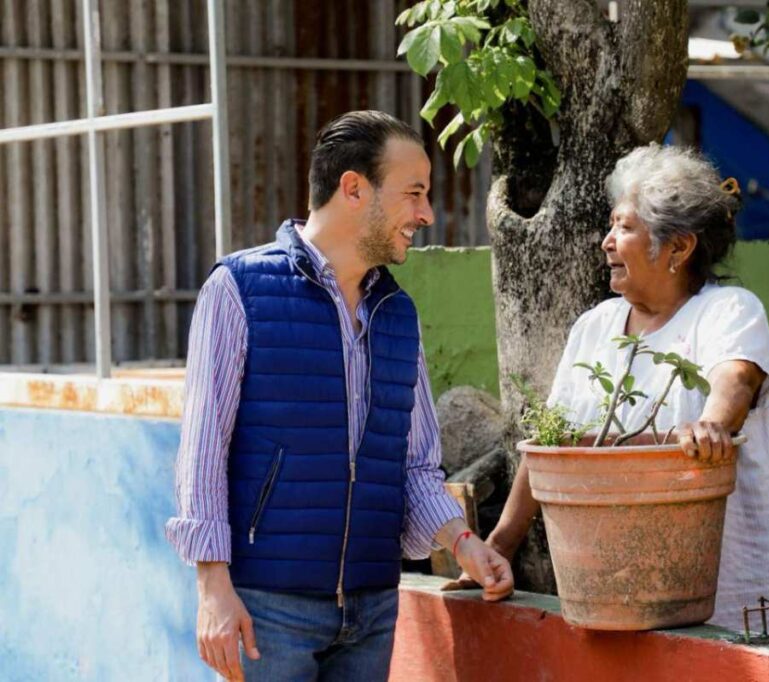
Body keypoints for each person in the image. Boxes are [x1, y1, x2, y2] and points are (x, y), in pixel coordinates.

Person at [166, 110, 513, 682]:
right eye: (414, 194)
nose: (425, 214)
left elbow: (415, 467)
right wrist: (212, 586)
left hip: (373, 608)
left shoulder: (397, 313)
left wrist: (465, 542)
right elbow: (202, 453)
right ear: (354, 188)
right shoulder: (239, 290)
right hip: (269, 610)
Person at [472, 144, 769, 642]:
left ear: (678, 248)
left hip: (745, 585)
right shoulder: (596, 327)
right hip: (627, 591)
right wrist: (500, 545)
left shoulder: (729, 310)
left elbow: (736, 380)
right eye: (611, 226)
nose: (606, 242)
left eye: (624, 227)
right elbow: (553, 445)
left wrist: (713, 426)